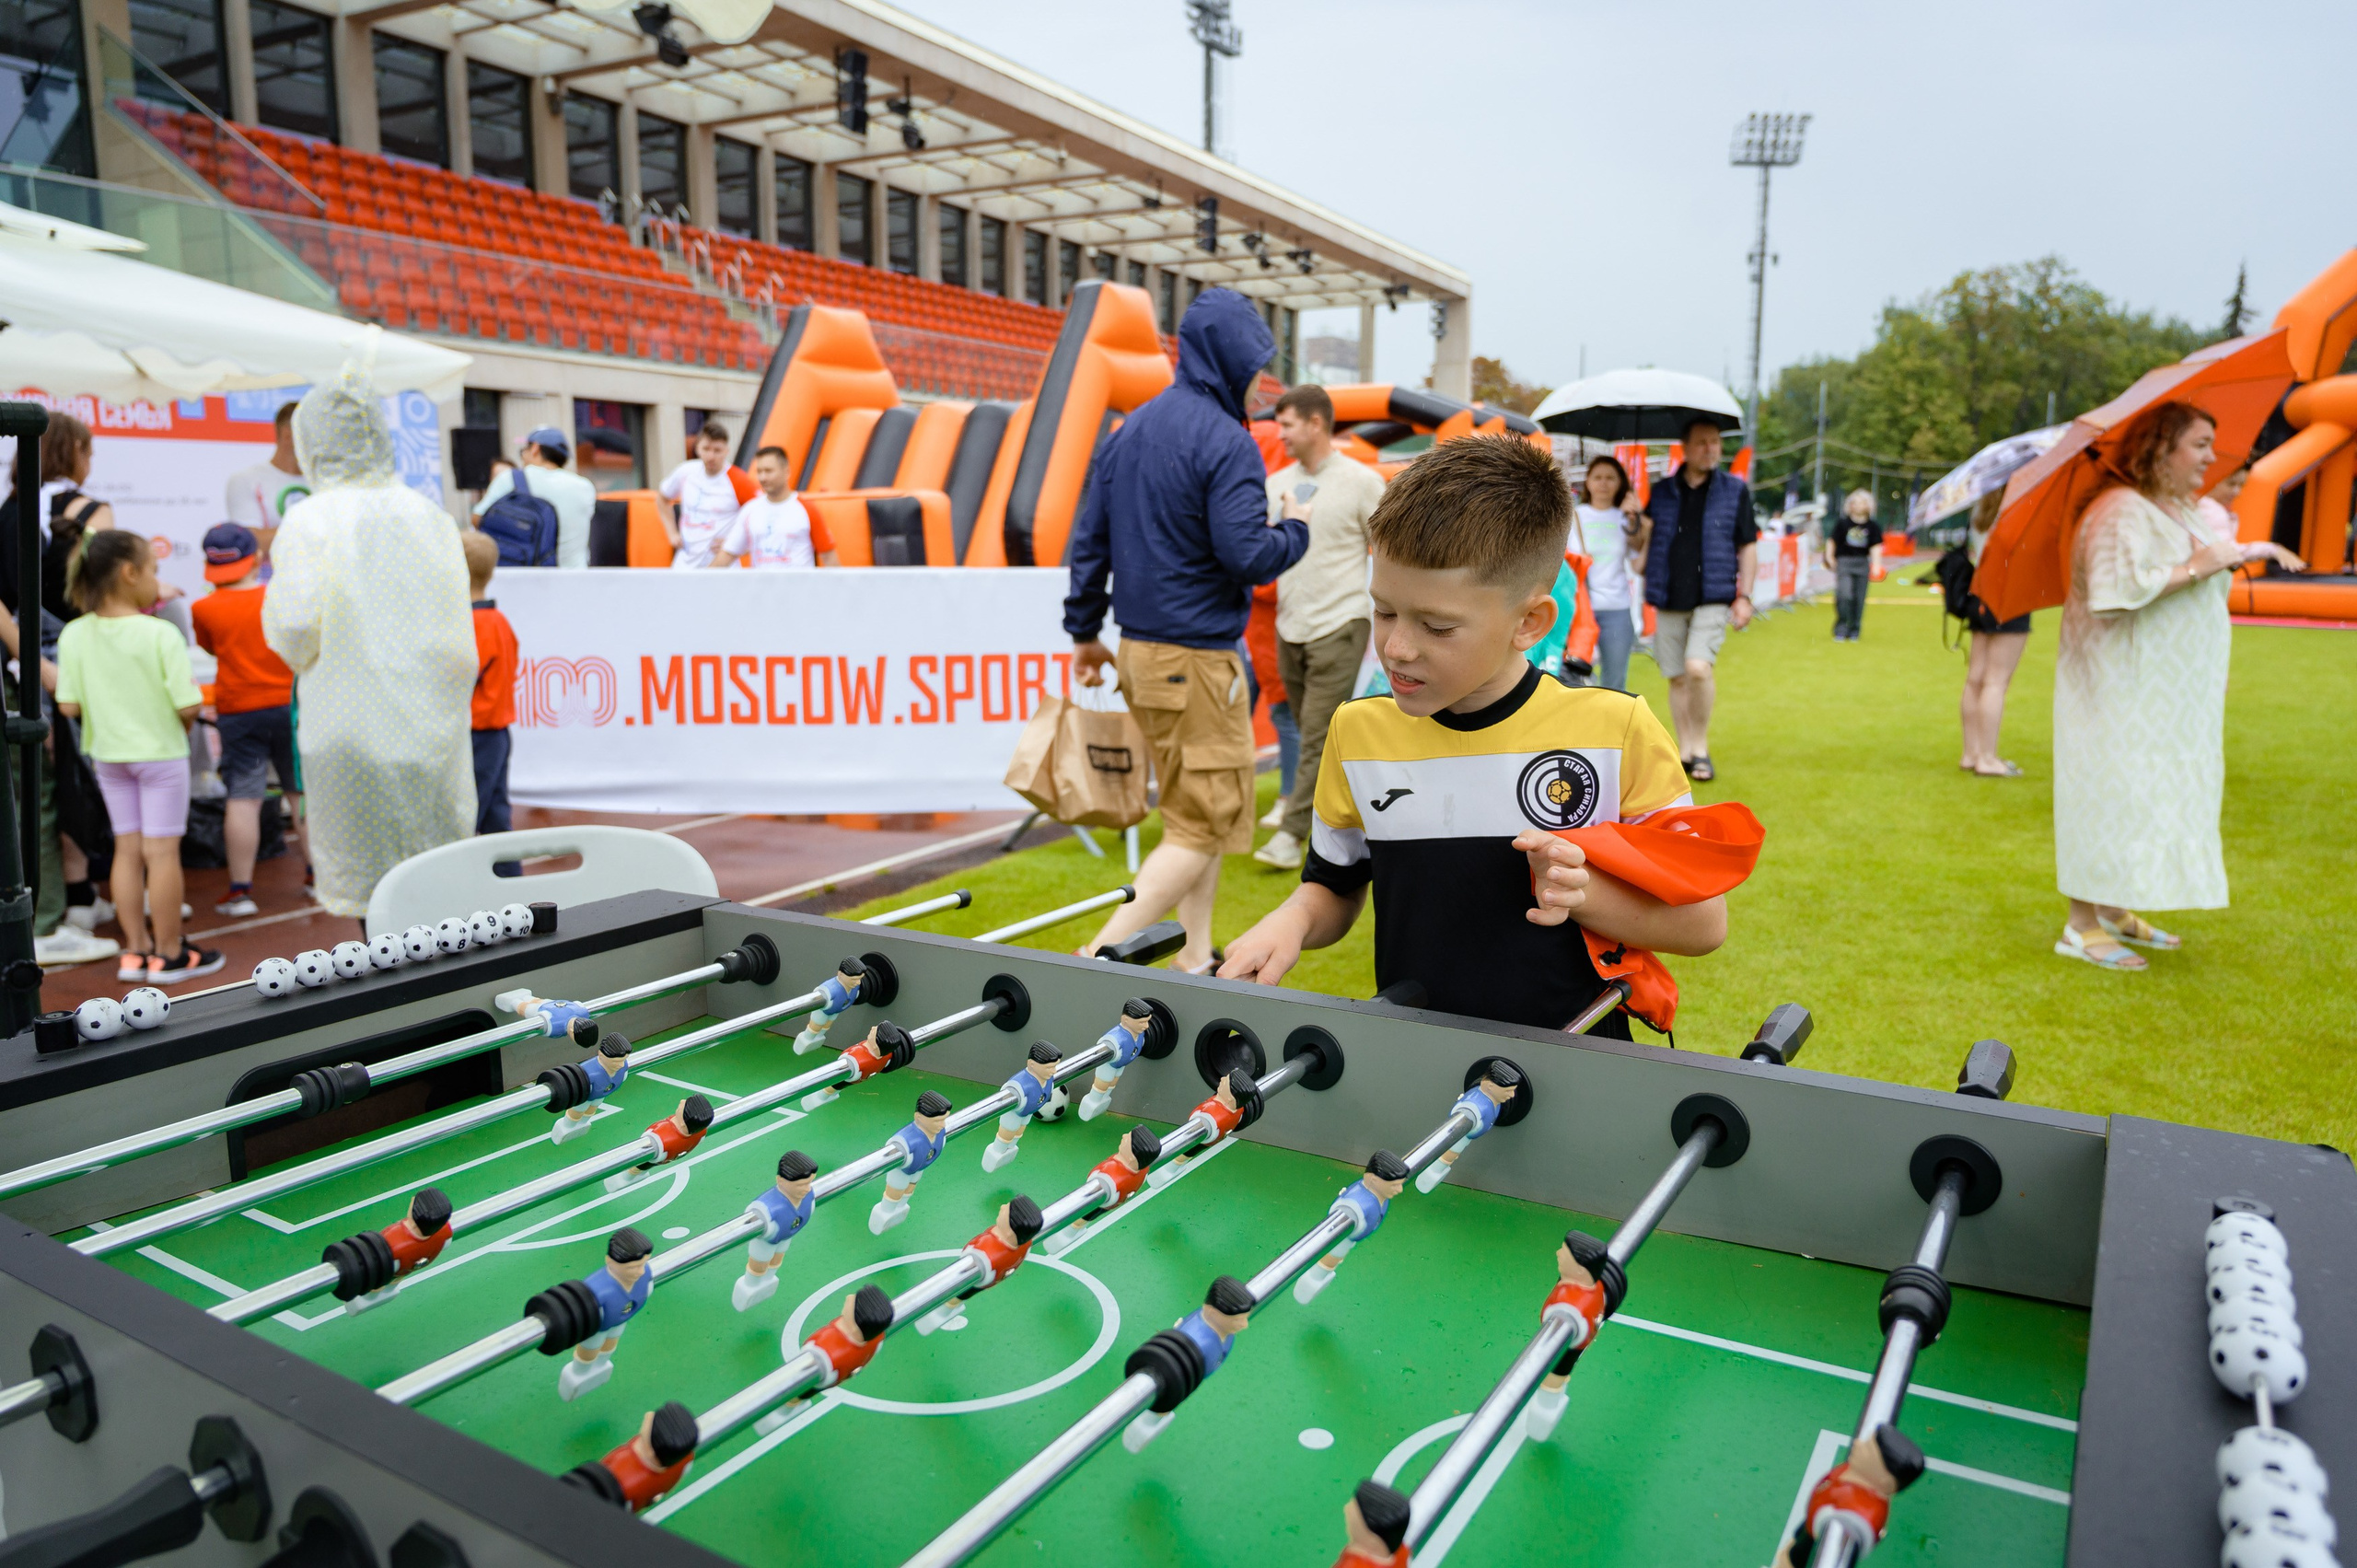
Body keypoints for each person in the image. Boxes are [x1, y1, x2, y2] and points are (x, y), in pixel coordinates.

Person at [1219, 436, 1726, 1033]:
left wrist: (1581, 895)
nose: (1398, 647)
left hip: (1582, 1068)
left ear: (1530, 623)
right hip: (1419, 1069)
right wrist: (1295, 920)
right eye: (1384, 611)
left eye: (1437, 626)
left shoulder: (1614, 731)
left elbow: (1702, 924)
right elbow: (1335, 885)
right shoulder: (1358, 732)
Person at [1063, 287, 1308, 970]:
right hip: (1197, 659)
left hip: (1139, 652)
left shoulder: (1127, 431)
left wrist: (1085, 632)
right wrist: (1295, 528)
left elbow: (1089, 543)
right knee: (1200, 827)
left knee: (1187, 818)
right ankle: (1096, 957)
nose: (1262, 381)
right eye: (1256, 364)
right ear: (1230, 359)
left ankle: (1195, 958)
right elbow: (1248, 556)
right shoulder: (1227, 443)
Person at [2051, 402, 2302, 970]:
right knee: (2108, 794)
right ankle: (2081, 924)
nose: (2213, 457)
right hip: (2116, 690)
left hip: (2159, 696)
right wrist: (2200, 565)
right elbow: (2113, 593)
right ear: (2160, 448)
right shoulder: (2118, 510)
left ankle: (2113, 906)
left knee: (2143, 798)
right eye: (2200, 443)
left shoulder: (2168, 506)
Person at [263, 359, 477, 921]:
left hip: (350, 731)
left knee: (374, 907)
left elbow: (294, 630)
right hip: (434, 733)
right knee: (438, 896)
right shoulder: (428, 514)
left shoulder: (311, 521)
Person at [54, 529, 221, 981]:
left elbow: (68, 705)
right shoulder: (159, 633)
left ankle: (136, 952)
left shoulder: (74, 634)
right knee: (162, 852)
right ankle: (169, 954)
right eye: (153, 569)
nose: (156, 579)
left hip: (109, 756)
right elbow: (188, 706)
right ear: (129, 574)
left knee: (126, 850)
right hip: (161, 755)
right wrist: (178, 727)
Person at [1255, 385, 1382, 873]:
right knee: (1318, 734)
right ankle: (1352, 824)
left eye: (1286, 424)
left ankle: (1290, 835)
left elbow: (1387, 549)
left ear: (1315, 424)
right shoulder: (1276, 483)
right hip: (1290, 625)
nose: (1279, 434)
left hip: (1342, 621)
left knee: (1313, 732)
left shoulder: (1362, 481)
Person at [190, 524, 299, 917]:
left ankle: (240, 891)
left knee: (244, 798)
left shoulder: (203, 608)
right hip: (287, 705)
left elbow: (209, 646)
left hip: (239, 709)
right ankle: (320, 876)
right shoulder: (279, 597)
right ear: (256, 559)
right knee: (298, 792)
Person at [1640, 418, 1757, 782]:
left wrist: (1746, 596)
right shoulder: (1661, 492)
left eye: (1716, 443)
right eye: (1703, 443)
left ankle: (1700, 747)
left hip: (1714, 594)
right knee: (1675, 676)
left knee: (1697, 668)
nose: (1711, 449)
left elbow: (1748, 544)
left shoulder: (1735, 491)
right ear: (1685, 448)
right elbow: (1641, 544)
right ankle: (1684, 748)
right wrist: (1633, 519)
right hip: (1669, 594)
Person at [1958, 491, 2032, 778]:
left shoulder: (1981, 514)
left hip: (1981, 595)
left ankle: (1971, 752)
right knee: (1995, 682)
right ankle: (1987, 758)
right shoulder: (2017, 515)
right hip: (2010, 596)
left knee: (1976, 678)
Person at [461, 531, 519, 870]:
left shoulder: (470, 625)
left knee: (468, 819)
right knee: (498, 819)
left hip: (475, 732)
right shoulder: (499, 622)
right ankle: (513, 889)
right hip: (497, 731)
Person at [473, 427, 598, 569]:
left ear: (535, 449)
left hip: (529, 578)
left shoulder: (511, 478)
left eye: (523, 451)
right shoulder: (585, 486)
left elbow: (478, 518)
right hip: (577, 579)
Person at [1573, 454, 1643, 690]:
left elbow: (1637, 562)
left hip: (1617, 609)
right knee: (1574, 679)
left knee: (1614, 683)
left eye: (1610, 478)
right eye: (1598, 477)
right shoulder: (1574, 516)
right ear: (1588, 482)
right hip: (1580, 609)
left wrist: (1636, 520)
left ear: (1620, 483)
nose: (1604, 483)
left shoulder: (1625, 517)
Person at [708, 445, 836, 568]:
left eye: (768, 471)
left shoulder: (806, 509)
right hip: (761, 589)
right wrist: (701, 583)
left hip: (799, 589)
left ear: (786, 472)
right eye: (759, 471)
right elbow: (728, 554)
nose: (763, 477)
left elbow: (829, 557)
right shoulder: (750, 510)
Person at [39, 412, 111, 625]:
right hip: (69, 634)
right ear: (78, 449)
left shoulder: (9, 506)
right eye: (90, 455)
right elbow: (104, 584)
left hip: (9, 643)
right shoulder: (91, 509)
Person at [222, 401, 308, 565]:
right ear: (288, 435)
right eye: (314, 433)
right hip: (269, 587)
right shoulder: (246, 480)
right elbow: (251, 542)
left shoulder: (325, 483)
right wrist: (317, 527)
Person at [657, 420, 744, 570]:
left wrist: (736, 544)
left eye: (717, 450)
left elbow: (759, 515)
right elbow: (662, 498)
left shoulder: (738, 480)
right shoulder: (685, 472)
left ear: (726, 450)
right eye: (706, 449)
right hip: (686, 563)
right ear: (698, 448)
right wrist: (672, 533)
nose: (711, 456)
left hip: (723, 567)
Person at [1826, 488, 1883, 642]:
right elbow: (1832, 541)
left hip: (1862, 564)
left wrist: (1877, 565)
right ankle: (1841, 628)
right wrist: (1830, 557)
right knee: (1844, 595)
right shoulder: (1842, 524)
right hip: (1844, 562)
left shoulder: (1873, 526)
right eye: (1855, 502)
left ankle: (1854, 629)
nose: (1857, 506)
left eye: (1862, 502)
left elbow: (1876, 546)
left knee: (1859, 598)